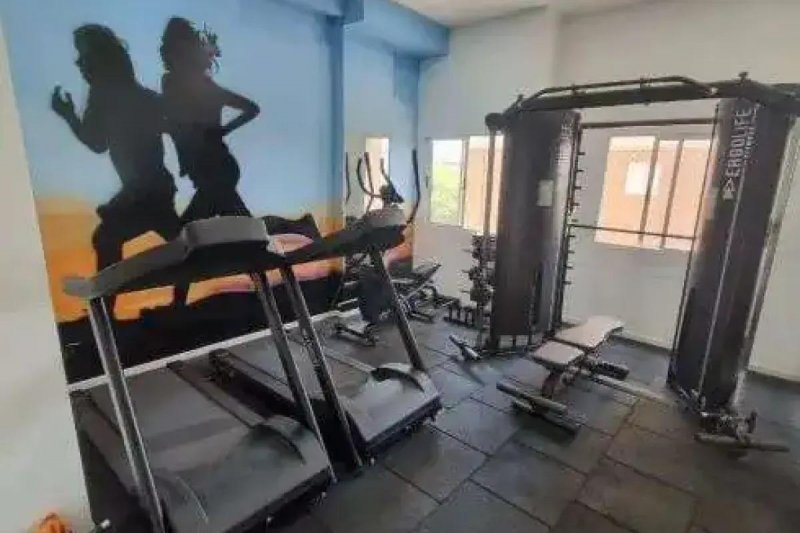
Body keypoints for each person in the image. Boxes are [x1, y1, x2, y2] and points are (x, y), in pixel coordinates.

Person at [52, 24, 182, 315]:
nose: (79, 63)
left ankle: (107, 312)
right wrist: (70, 115)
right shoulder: (119, 97)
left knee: (108, 239)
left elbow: (97, 143)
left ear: (101, 59)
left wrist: (69, 116)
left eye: (84, 56)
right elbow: (99, 143)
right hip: (150, 188)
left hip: (146, 189)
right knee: (178, 241)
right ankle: (172, 303)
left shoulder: (115, 97)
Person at [159, 17, 259, 221]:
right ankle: (295, 228)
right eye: (173, 52)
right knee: (243, 227)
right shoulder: (173, 83)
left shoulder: (203, 87)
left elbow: (252, 108)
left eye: (181, 52)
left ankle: (294, 229)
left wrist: (223, 130)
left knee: (188, 230)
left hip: (216, 170)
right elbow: (177, 124)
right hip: (210, 171)